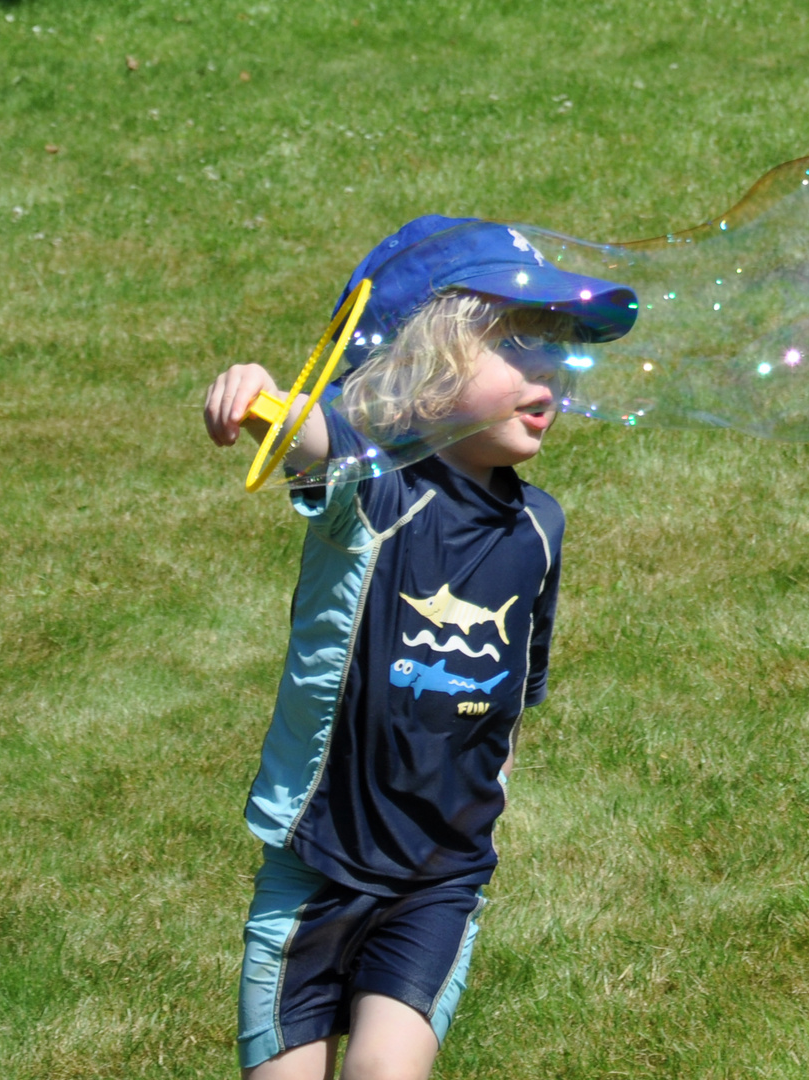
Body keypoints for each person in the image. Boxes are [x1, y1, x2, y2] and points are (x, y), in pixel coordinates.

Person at [202, 216, 637, 1080]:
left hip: (440, 873)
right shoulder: (374, 488)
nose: (545, 367)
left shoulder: (538, 525)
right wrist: (261, 399)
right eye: (511, 342)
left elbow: (519, 679)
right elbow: (313, 439)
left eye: (550, 345)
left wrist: (498, 772)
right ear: (423, 370)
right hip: (317, 861)